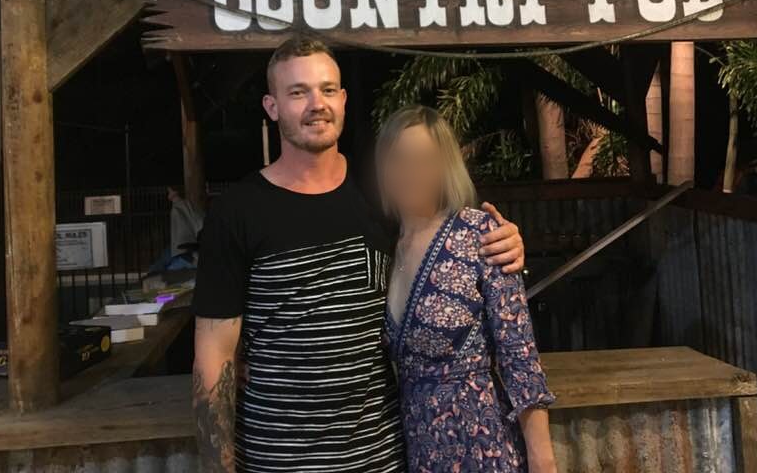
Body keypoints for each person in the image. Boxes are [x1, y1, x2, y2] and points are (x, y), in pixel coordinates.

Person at [191, 36, 527, 473]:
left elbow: (457, 249)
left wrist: (508, 243)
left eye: (328, 89)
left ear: (344, 99)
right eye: (298, 92)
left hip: (381, 457)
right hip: (277, 460)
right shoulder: (237, 211)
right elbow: (213, 358)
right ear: (272, 107)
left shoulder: (383, 196)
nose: (317, 104)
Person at [377, 105, 557, 473]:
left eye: (424, 159)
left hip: (481, 444)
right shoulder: (384, 245)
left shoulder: (481, 235)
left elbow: (520, 356)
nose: (411, 172)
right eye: (400, 159)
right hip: (417, 444)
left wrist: (543, 459)